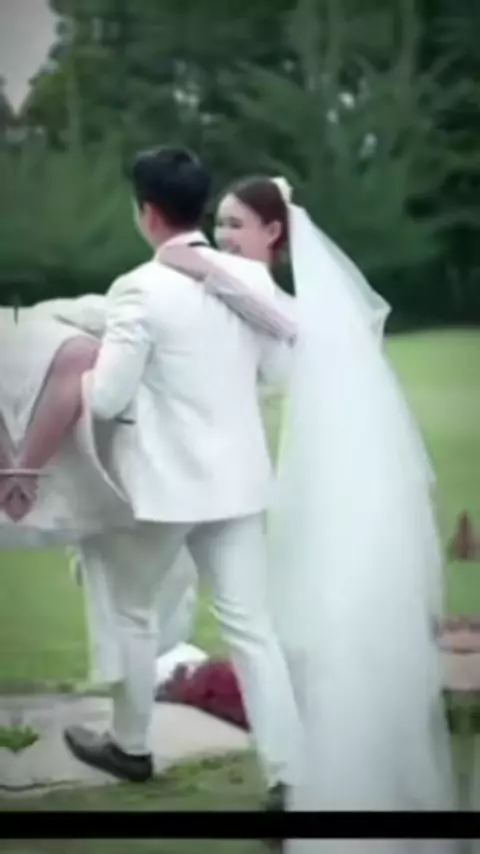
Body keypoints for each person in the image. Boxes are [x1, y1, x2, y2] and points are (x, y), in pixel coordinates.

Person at [161, 175, 457, 836]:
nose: (223, 236)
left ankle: (347, 777)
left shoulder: (293, 306)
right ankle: (314, 768)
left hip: (341, 487)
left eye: (236, 224)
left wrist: (206, 271)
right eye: (219, 223)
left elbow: (286, 329)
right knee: (301, 629)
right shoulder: (265, 296)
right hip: (299, 482)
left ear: (274, 232)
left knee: (336, 622)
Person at [62, 146, 304, 806]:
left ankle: (130, 747)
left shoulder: (139, 287)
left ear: (146, 212)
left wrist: (76, 369)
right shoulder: (250, 279)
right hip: (240, 482)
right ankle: (289, 776)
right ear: (200, 206)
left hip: (165, 488)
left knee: (132, 612)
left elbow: (107, 399)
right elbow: (277, 373)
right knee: (252, 629)